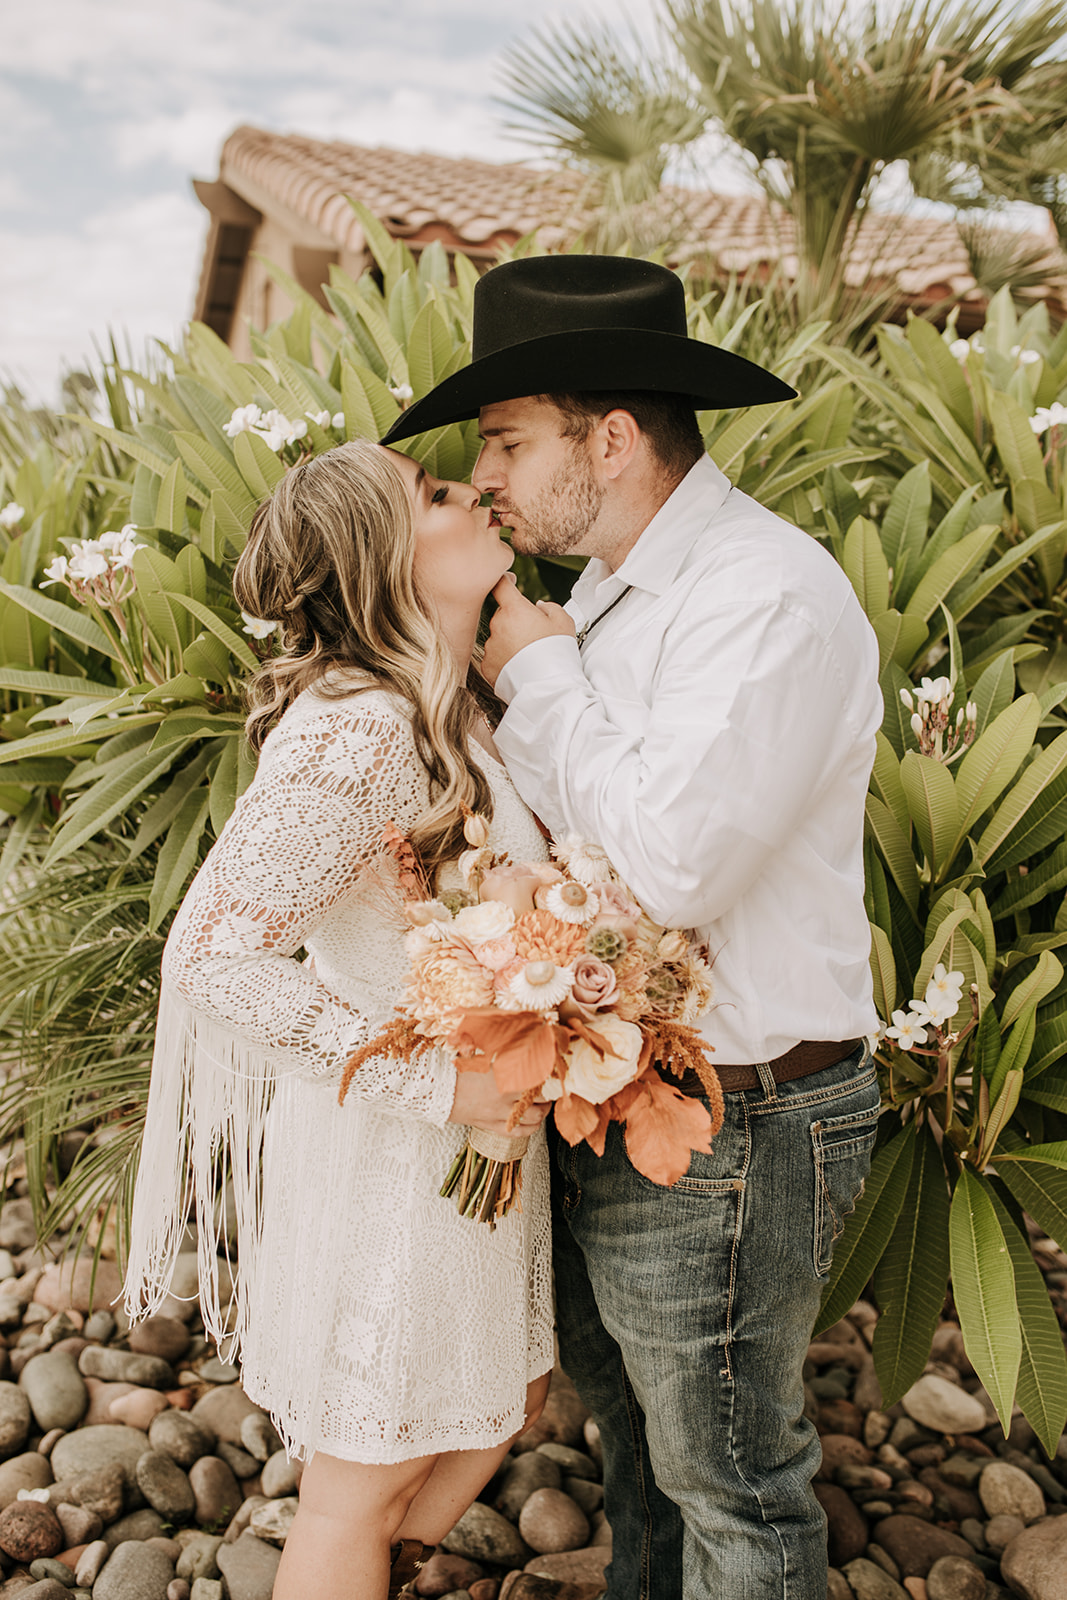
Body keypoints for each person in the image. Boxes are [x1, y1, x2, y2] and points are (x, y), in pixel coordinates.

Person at [383, 255, 883, 1600]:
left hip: (739, 1118)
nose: (486, 472)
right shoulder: (597, 593)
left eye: (504, 439)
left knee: (731, 1485)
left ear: (606, 438)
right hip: (610, 1095)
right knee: (642, 1460)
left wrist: (533, 674)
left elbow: (663, 866)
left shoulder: (759, 596)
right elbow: (564, 853)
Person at [122, 440, 555, 1600]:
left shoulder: (444, 712)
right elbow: (214, 953)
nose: (473, 490)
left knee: (500, 1406)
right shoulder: (356, 733)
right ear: (384, 560)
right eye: (435, 494)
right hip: (397, 1157)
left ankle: (372, 1569)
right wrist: (435, 1084)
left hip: (473, 1155)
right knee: (361, 1475)